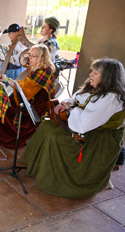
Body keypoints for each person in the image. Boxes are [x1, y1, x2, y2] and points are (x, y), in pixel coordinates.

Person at [20, 58, 125, 199]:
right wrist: (66, 103)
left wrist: (70, 109)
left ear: (107, 77)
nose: (91, 75)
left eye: (95, 73)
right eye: (92, 72)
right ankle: (39, 168)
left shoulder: (112, 98)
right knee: (46, 126)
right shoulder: (95, 88)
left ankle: (57, 179)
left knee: (56, 138)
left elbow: (85, 122)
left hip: (98, 137)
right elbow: (76, 98)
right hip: (85, 127)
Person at [0, 44, 56, 148]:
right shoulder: (38, 69)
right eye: (30, 55)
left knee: (4, 107)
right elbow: (25, 87)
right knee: (2, 102)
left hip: (35, 106)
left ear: (41, 58)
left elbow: (25, 88)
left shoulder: (44, 71)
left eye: (33, 56)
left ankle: (6, 136)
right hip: (30, 99)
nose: (29, 58)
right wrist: (8, 81)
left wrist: (8, 80)